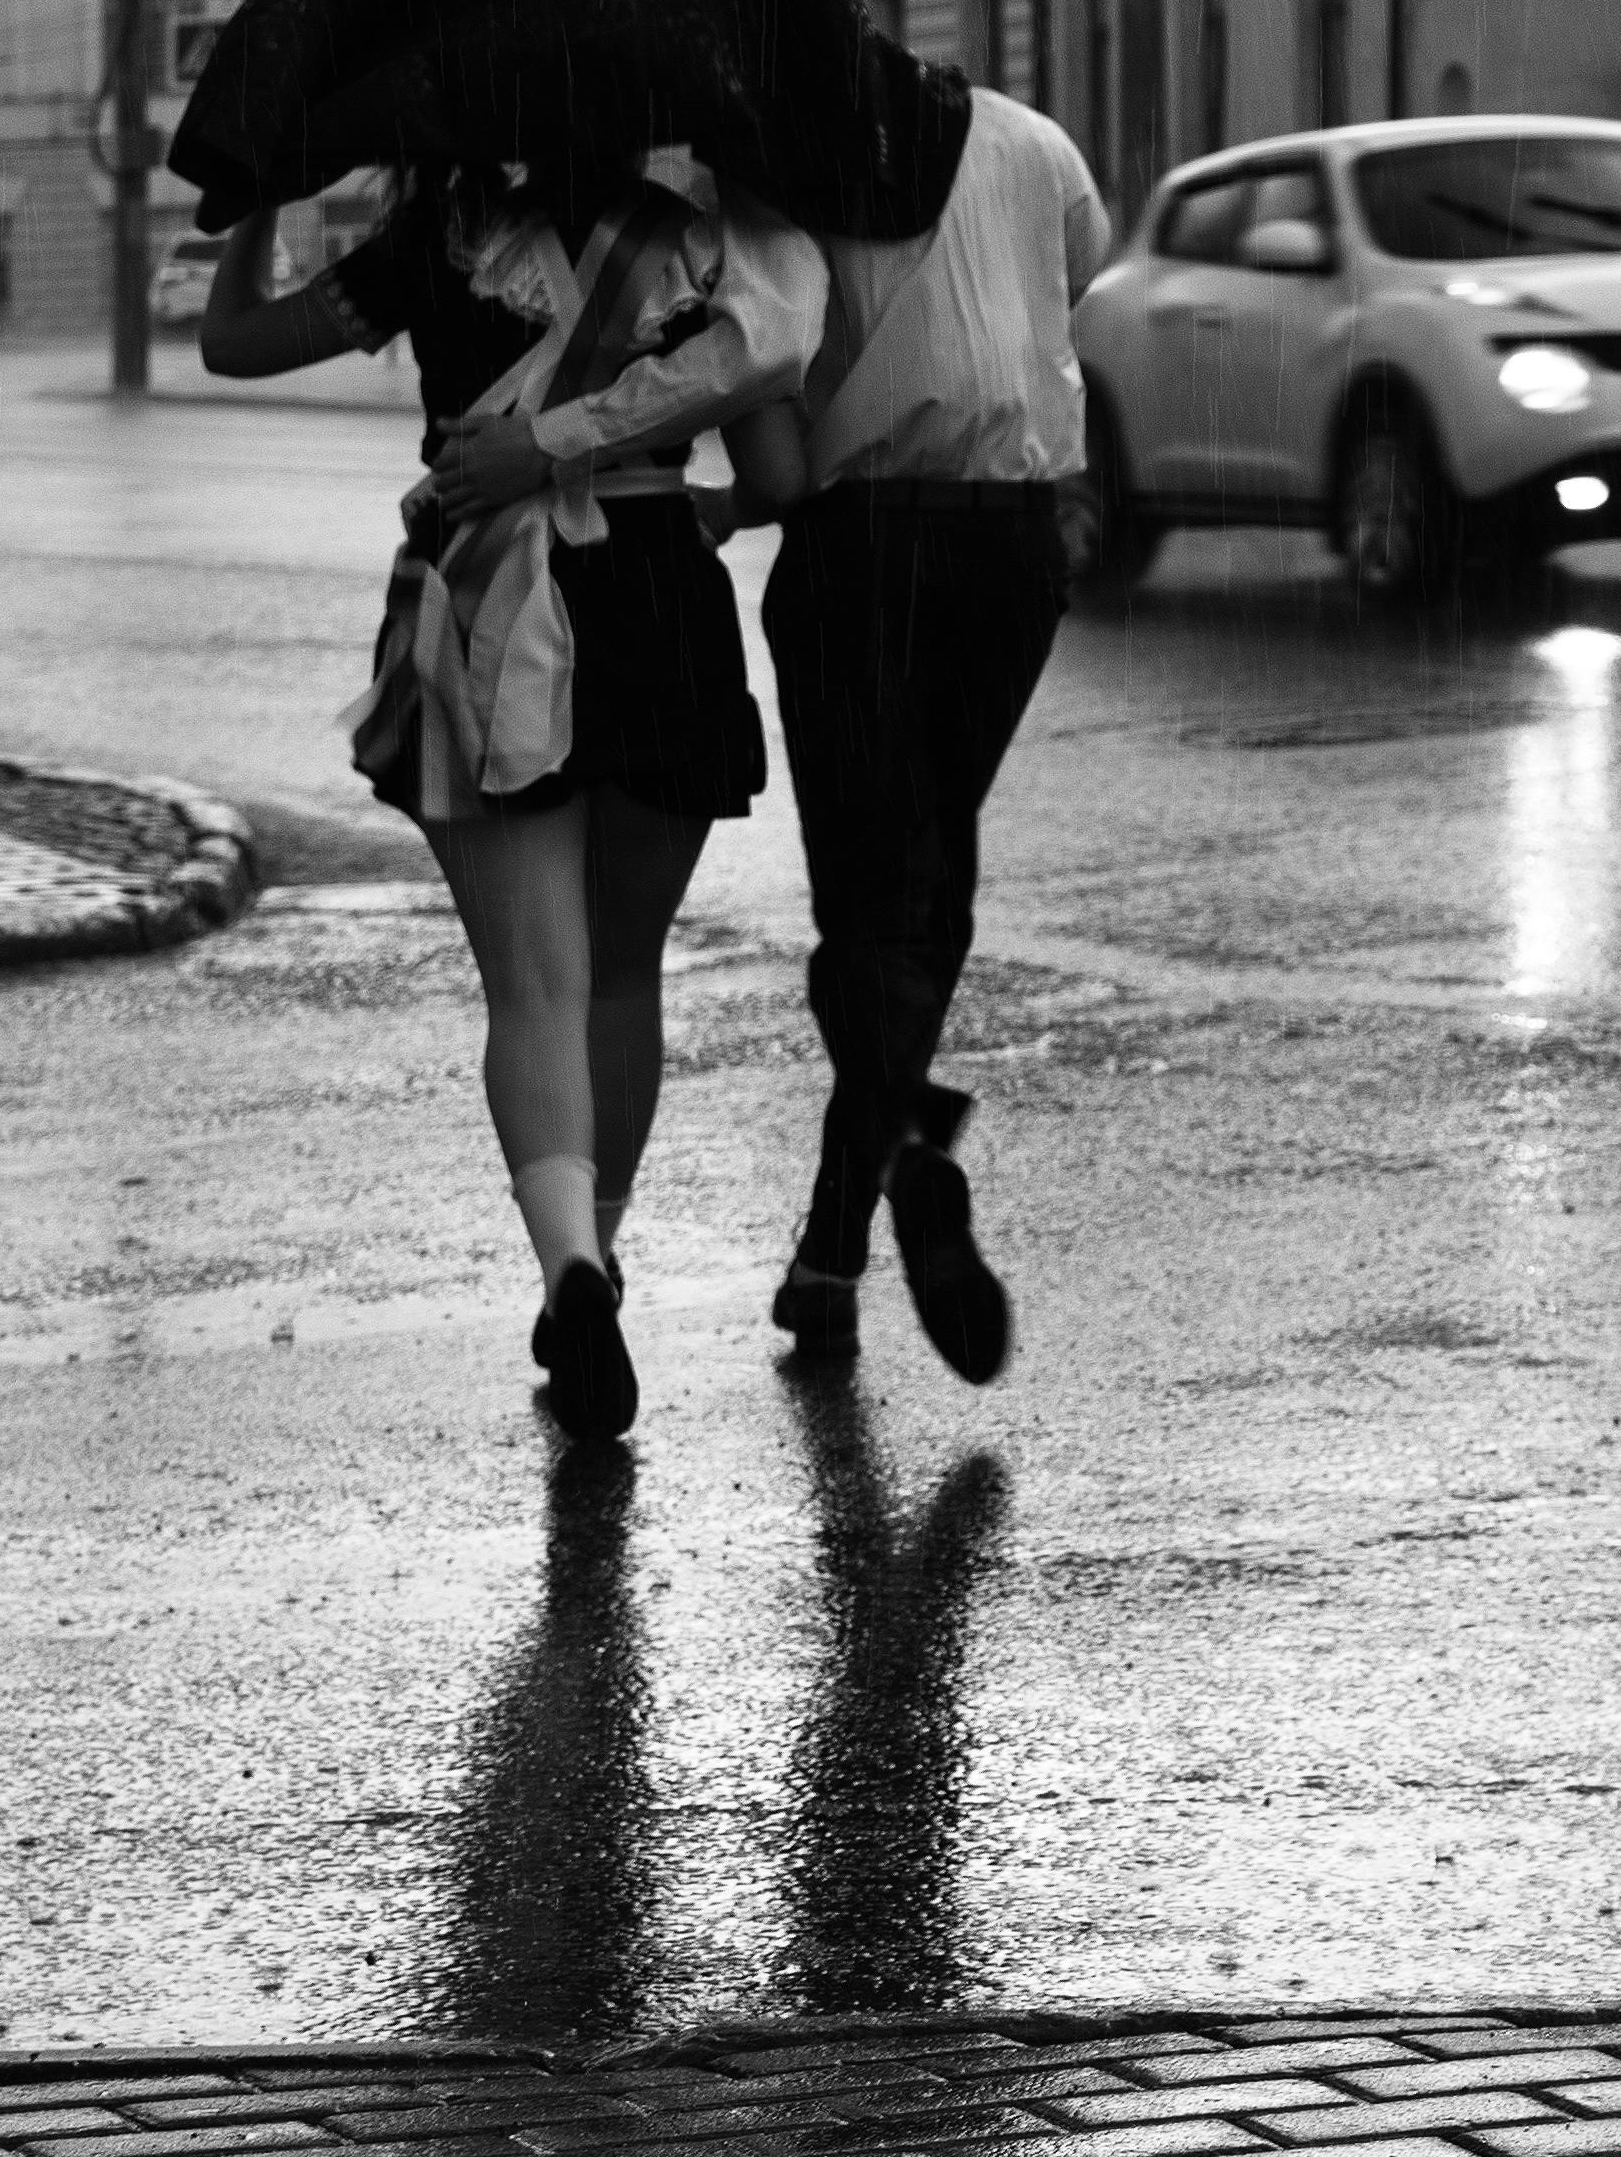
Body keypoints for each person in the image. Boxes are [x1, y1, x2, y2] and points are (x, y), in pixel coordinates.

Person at [201, 156, 826, 1439]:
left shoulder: (434, 237)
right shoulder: (701, 242)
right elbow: (785, 467)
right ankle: (600, 1253)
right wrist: (711, 492)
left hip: (486, 604)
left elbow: (233, 344)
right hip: (660, 602)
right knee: (622, 973)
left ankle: (569, 1273)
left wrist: (254, 200)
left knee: (534, 984)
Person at [699, 83, 1102, 1386]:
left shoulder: (776, 171)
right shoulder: (1027, 138)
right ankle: (834, 1249)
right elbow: (1078, 264)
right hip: (1014, 541)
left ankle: (913, 1153)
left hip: (864, 546)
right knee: (927, 887)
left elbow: (775, 435)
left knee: (870, 913)